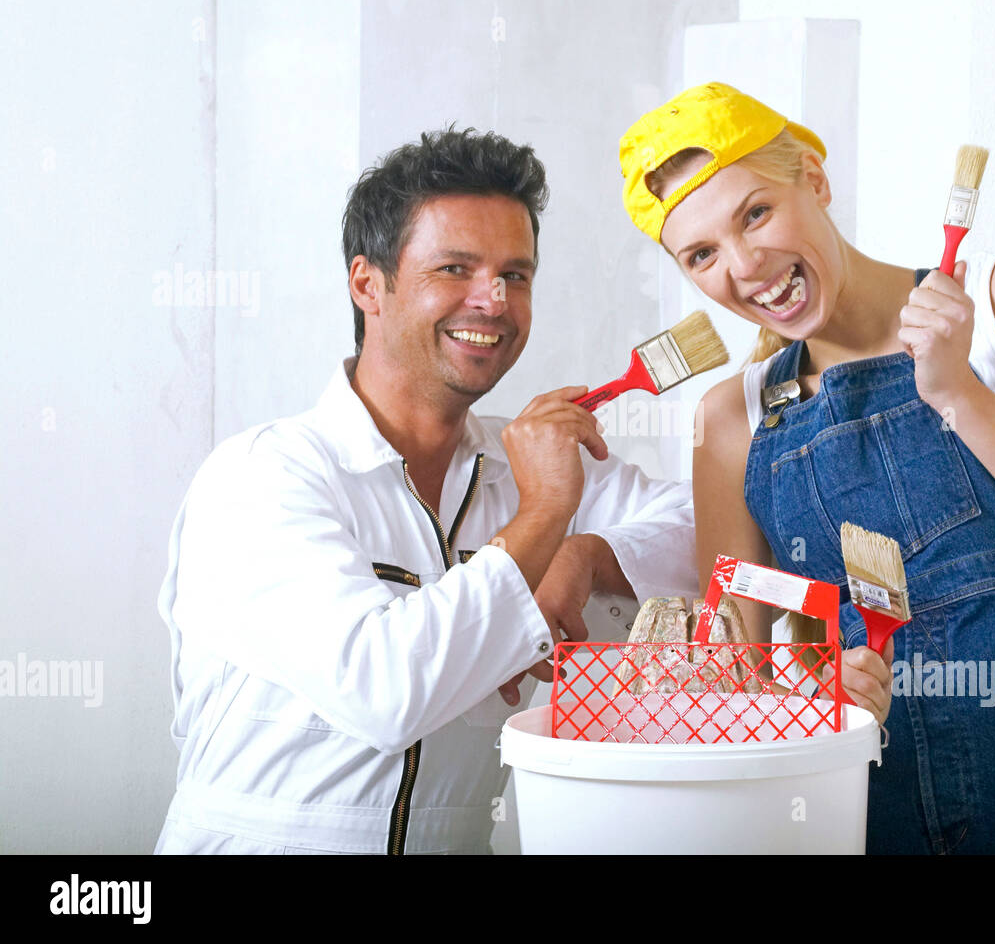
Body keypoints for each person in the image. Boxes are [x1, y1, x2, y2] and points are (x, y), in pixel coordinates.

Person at [618, 82, 995, 854]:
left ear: (814, 181)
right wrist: (812, 702)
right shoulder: (731, 421)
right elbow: (734, 700)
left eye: (755, 213)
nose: (745, 265)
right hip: (870, 809)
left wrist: (956, 393)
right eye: (702, 254)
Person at [154, 127, 699, 854]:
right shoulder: (265, 476)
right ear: (366, 284)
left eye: (516, 274)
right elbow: (385, 692)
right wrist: (542, 518)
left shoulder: (529, 458)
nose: (494, 301)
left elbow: (707, 535)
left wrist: (584, 558)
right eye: (455, 268)